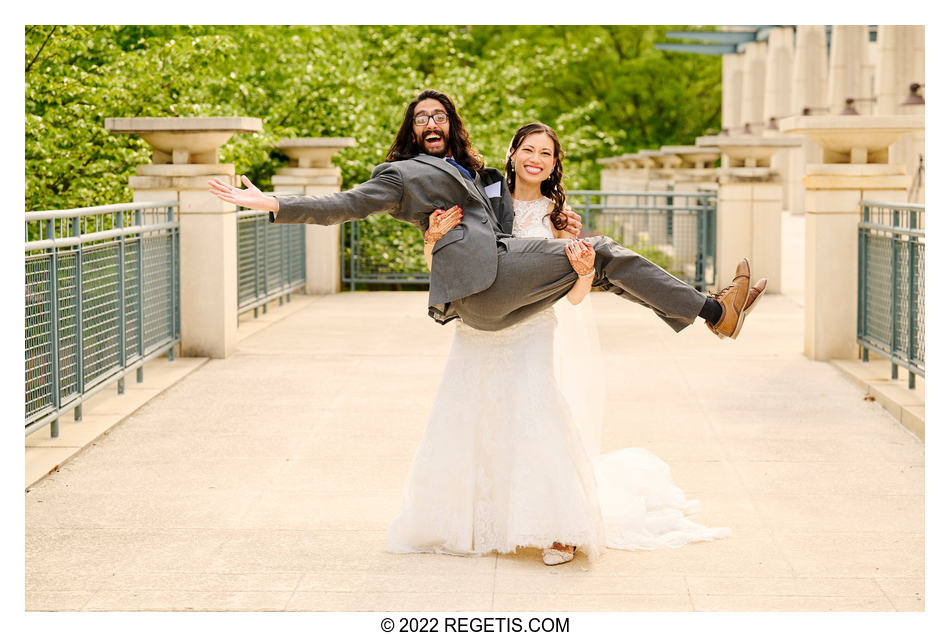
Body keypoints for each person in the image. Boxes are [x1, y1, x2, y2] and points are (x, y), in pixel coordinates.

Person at [385, 123, 758, 565]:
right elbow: (445, 264)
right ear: (512, 153)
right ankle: (713, 312)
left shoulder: (558, 220)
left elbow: (576, 298)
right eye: (528, 149)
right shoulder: (483, 195)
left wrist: (582, 272)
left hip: (531, 327)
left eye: (546, 153)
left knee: (538, 416)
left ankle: (561, 527)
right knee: (469, 415)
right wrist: (431, 240)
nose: (536, 158)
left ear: (555, 164)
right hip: (479, 320)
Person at [208, 89, 764, 340]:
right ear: (412, 130)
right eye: (421, 117)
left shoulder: (475, 174)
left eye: (440, 116)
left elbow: (512, 219)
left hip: (496, 277)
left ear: (451, 126)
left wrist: (558, 229)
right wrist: (274, 203)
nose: (431, 122)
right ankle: (716, 312)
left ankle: (710, 313)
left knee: (600, 267)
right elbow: (343, 206)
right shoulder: (400, 174)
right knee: (608, 253)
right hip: (484, 284)